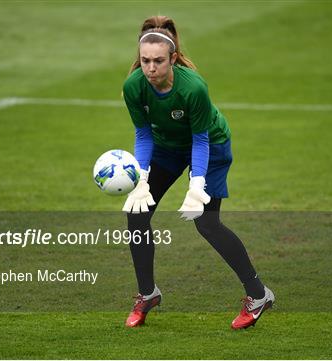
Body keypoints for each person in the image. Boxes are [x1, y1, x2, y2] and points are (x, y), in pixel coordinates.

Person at [121, 15, 274, 330]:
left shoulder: (193, 88)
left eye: (159, 61)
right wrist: (141, 178)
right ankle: (147, 293)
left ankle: (259, 295)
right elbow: (143, 134)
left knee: (207, 222)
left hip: (211, 145)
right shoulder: (133, 86)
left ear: (173, 58)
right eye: (145, 61)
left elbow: (201, 139)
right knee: (136, 214)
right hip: (167, 146)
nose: (151, 68)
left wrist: (197, 184)